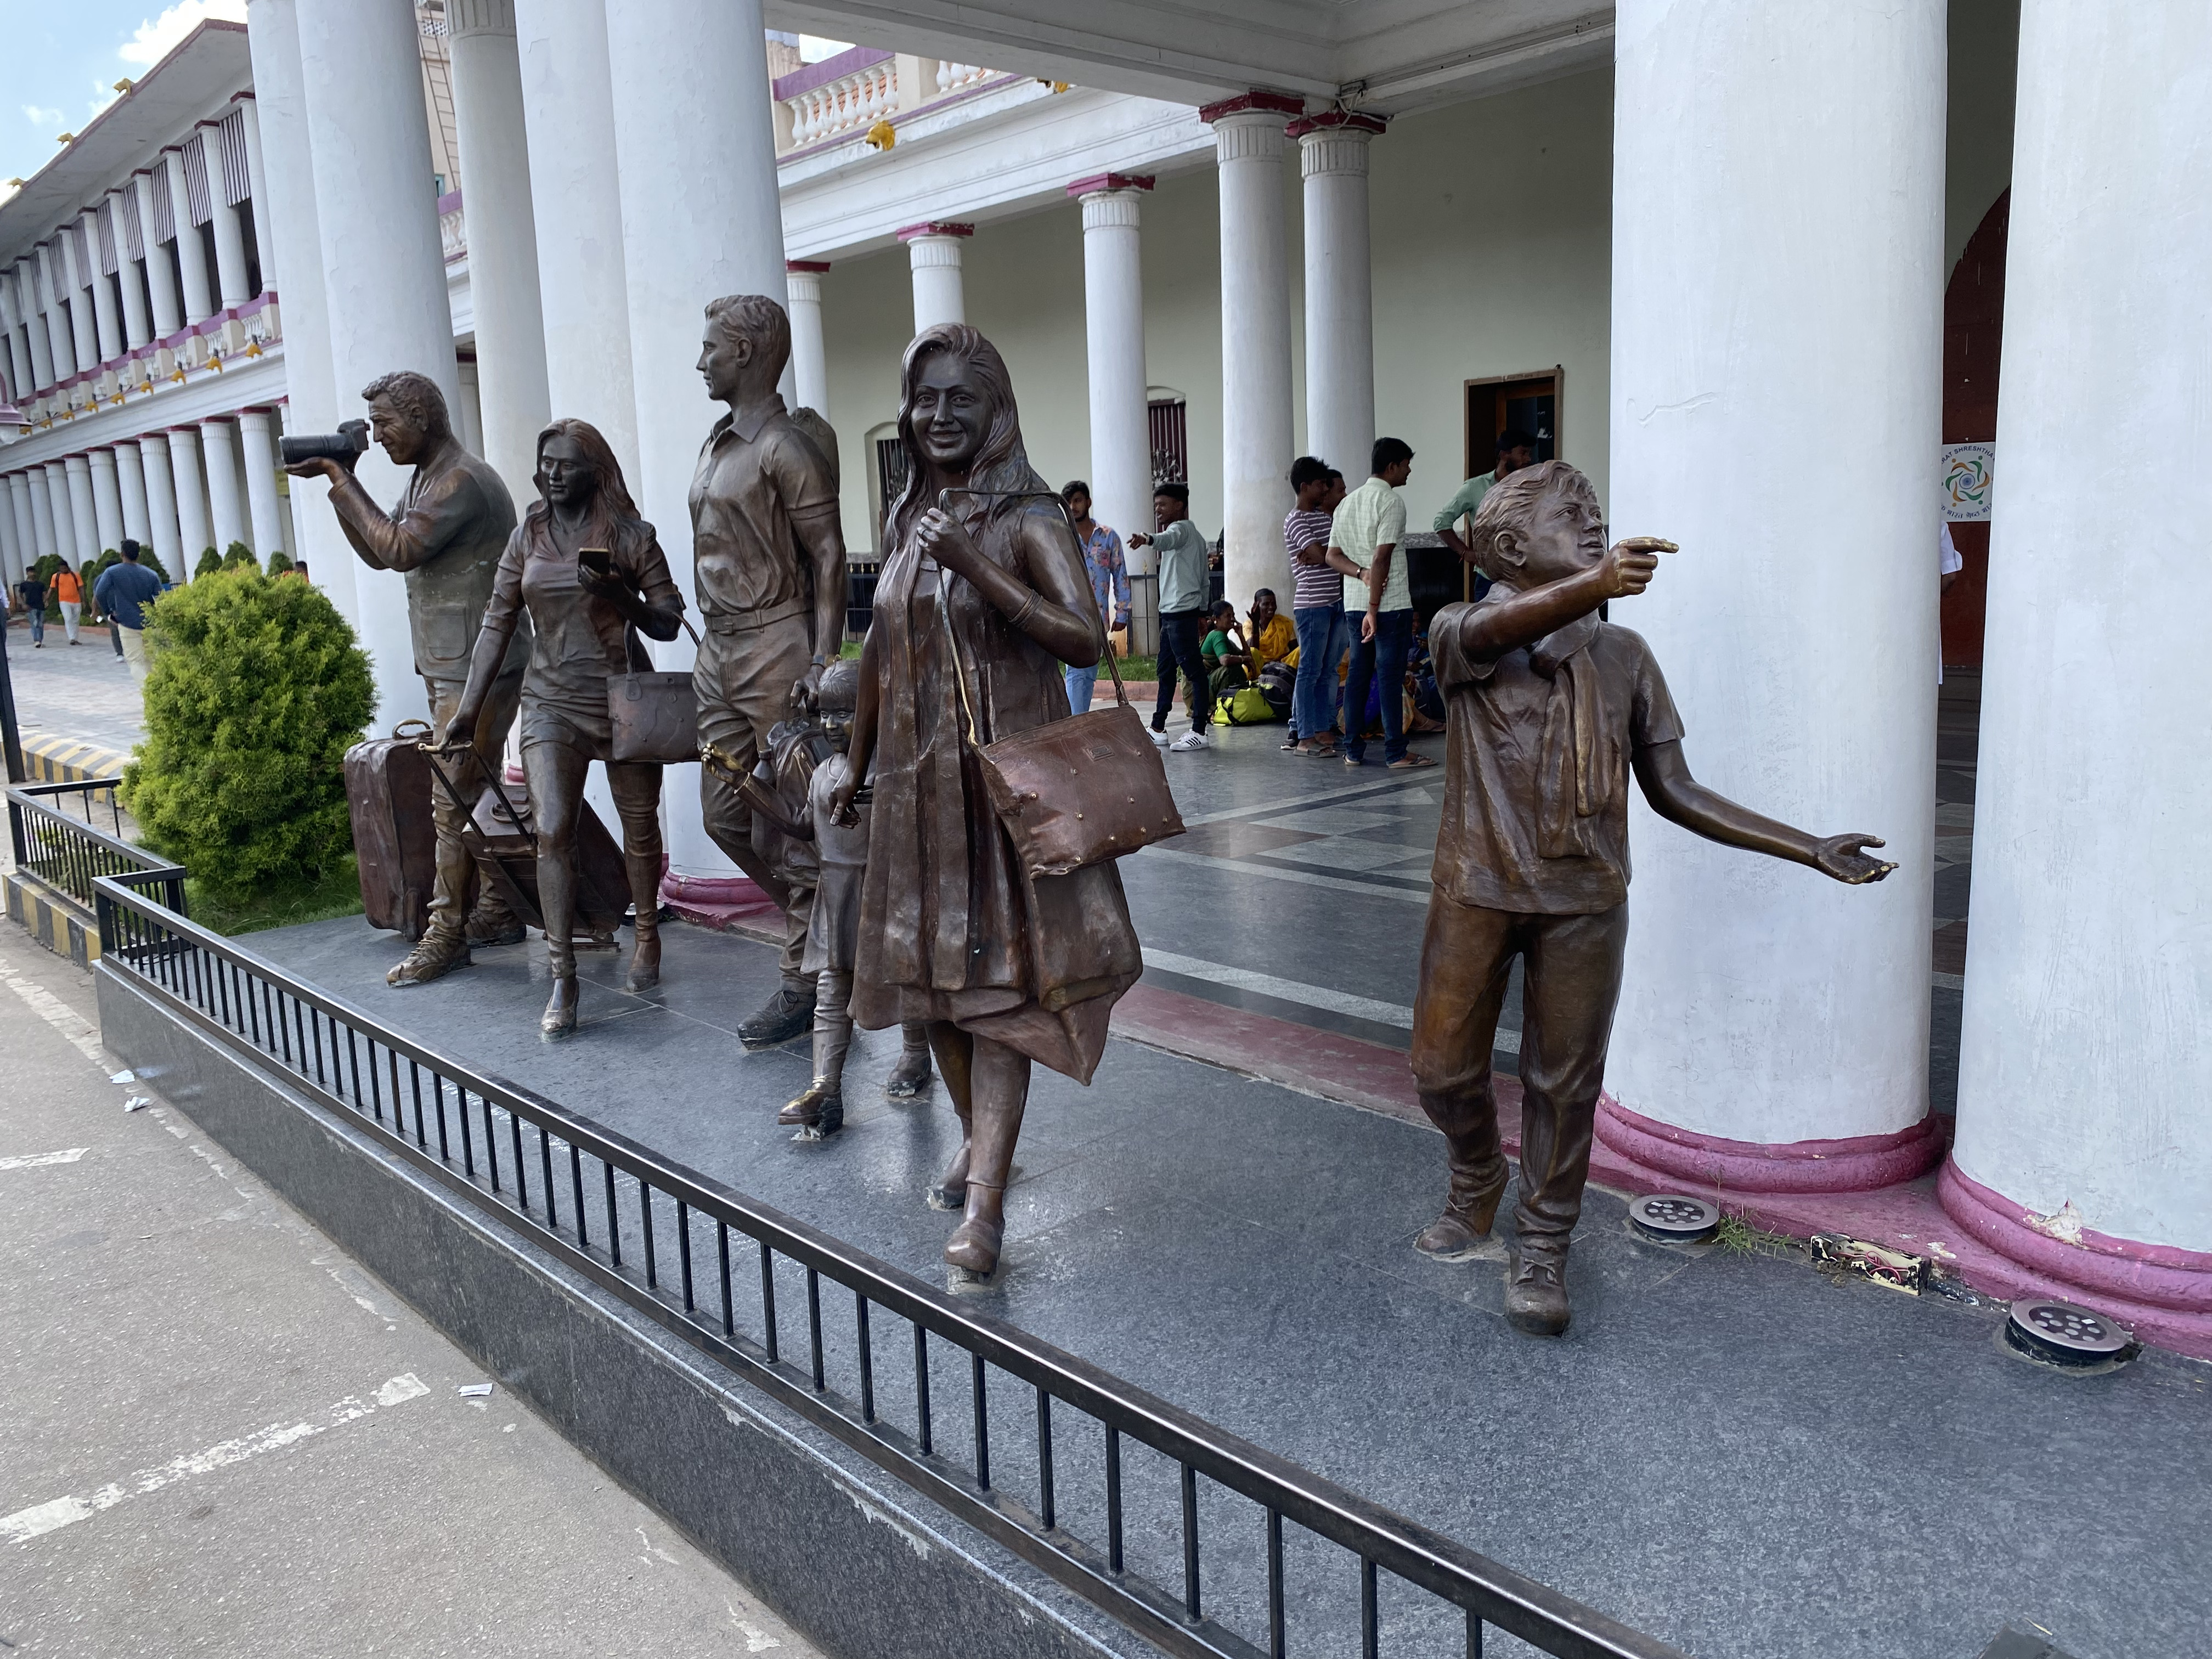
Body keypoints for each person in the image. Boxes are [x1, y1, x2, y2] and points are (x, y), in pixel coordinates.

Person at [1412, 459, 1894, 1336]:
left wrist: (1807, 845)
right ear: (1512, 547)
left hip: (1588, 900)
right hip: (1476, 891)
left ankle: (1544, 1246)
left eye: (1597, 512)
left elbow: (1678, 789)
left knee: (1566, 1085)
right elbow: (1499, 630)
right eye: (1571, 514)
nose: (1594, 524)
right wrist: (1597, 584)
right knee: (1442, 1071)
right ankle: (1476, 1171)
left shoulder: (1626, 656)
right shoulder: (1462, 630)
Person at [833, 324, 1142, 1279]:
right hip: (913, 792)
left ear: (995, 408)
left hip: (999, 792)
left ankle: (991, 1201)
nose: (936, 416)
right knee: (933, 989)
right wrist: (854, 758)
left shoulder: (1027, 513)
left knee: (999, 992)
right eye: (923, 399)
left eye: (958, 399)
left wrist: (975, 564)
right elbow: (882, 648)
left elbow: (1084, 638)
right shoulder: (904, 517)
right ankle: (980, 1140)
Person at [441, 419, 683, 1039]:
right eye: (545, 461)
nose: (552, 472)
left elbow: (668, 623)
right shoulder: (528, 536)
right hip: (549, 700)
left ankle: (647, 934)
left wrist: (621, 596)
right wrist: (467, 712)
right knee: (551, 830)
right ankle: (563, 976)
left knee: (638, 827)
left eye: (566, 464)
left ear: (594, 472)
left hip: (620, 696)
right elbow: (496, 623)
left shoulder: (632, 537)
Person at [289, 369, 529, 984]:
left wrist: (343, 480)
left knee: (451, 800)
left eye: (385, 425)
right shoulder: (428, 475)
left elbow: (398, 548)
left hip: (480, 667)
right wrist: (345, 485)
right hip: (453, 662)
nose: (379, 436)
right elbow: (379, 551)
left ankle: (445, 934)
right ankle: (498, 910)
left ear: (421, 418)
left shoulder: (460, 482)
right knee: (473, 792)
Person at [688, 294, 851, 1050]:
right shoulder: (718, 442)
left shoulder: (787, 446)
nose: (701, 362)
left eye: (712, 349)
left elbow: (828, 556)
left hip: (777, 645)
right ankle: (827, 928)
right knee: (724, 815)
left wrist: (821, 659)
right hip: (718, 651)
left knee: (796, 826)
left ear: (747, 355)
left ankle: (805, 979)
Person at [747, 662, 935, 1140]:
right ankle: (824, 1089)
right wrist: (744, 782)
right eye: (826, 715)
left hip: (887, 892)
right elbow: (801, 824)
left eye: (846, 713)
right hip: (839, 893)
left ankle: (915, 1052)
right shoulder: (825, 772)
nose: (831, 725)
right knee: (832, 991)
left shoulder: (896, 770)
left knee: (906, 979)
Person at [1334, 437, 1432, 770]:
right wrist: (1374, 608)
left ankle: (1352, 751)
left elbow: (1334, 556)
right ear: (1391, 467)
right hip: (1387, 608)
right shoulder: (1390, 502)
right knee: (1389, 676)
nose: (1409, 471)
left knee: (1359, 675)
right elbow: (1382, 557)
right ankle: (1396, 753)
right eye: (1406, 465)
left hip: (1354, 605)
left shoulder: (1346, 504)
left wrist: (1359, 575)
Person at [1129, 482, 1214, 751]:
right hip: (1175, 613)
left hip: (1179, 614)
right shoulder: (1198, 539)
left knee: (1193, 671)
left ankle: (1199, 731)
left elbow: (1168, 539)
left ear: (1180, 505)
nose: (1158, 510)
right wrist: (1203, 612)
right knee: (1165, 670)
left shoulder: (1181, 531)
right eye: (1156, 505)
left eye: (1162, 504)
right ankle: (1158, 728)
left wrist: (1148, 538)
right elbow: (1204, 581)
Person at [1058, 479, 1130, 714]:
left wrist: (1123, 611)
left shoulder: (1109, 537)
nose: (1073, 506)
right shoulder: (1062, 537)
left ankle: (1077, 718)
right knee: (1076, 672)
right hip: (1069, 615)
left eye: (1077, 500)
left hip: (1098, 618)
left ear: (1088, 502)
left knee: (1087, 673)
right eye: (1068, 503)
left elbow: (1120, 575)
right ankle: (1076, 722)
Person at [1434, 426, 1537, 587]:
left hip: (1525, 578)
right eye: (1523, 453)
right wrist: (1465, 552)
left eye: (1529, 454)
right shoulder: (1475, 487)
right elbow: (1441, 522)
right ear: (1504, 455)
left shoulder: (1532, 488)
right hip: (1489, 580)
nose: (1528, 459)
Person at [94, 540, 164, 685]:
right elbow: (161, 598)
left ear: (122, 554)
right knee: (153, 661)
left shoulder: (112, 572)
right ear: (138, 555)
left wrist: (108, 613)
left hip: (127, 622)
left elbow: (100, 592)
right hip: (150, 623)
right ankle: (157, 692)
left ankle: (147, 692)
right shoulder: (151, 574)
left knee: (135, 661)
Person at [1199, 599, 1251, 699]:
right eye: (1228, 616)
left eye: (1233, 615)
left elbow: (1250, 656)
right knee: (1230, 670)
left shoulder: (1225, 639)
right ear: (1216, 619)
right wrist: (1243, 659)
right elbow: (1225, 660)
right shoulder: (1217, 635)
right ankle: (1221, 704)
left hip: (1209, 685)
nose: (1233, 619)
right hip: (1203, 688)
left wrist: (1241, 636)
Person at [51, 562, 82, 645]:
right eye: (61, 568)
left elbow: (81, 587)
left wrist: (84, 600)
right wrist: (47, 598)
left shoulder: (75, 576)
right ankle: (72, 638)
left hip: (77, 601)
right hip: (64, 601)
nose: (63, 569)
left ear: (67, 567)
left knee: (76, 620)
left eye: (64, 568)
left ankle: (75, 638)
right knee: (68, 619)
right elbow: (52, 588)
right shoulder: (56, 577)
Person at [15, 570, 47, 647]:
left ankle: (40, 640)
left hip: (40, 606)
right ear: (27, 573)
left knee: (40, 624)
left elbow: (44, 594)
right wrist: (23, 604)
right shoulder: (24, 585)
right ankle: (37, 640)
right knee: (34, 623)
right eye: (30, 572)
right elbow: (20, 595)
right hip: (30, 607)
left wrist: (46, 602)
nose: (32, 574)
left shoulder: (40, 584)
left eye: (33, 572)